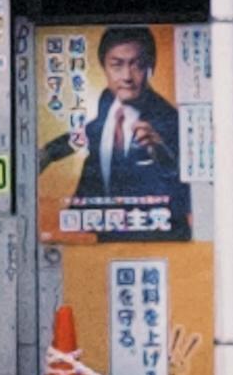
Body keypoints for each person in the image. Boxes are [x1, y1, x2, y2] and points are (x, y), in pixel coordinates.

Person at [47, 21, 191, 236]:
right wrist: (48, 153)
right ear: (104, 67)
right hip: (105, 234)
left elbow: (189, 195)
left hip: (156, 238)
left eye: (137, 65)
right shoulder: (107, 100)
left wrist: (164, 157)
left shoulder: (170, 120)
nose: (126, 77)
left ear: (151, 67)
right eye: (116, 65)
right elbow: (92, 131)